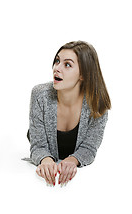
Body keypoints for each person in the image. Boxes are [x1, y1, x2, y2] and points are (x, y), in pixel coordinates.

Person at [27, 41, 111, 187]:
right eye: (57, 61)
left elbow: (90, 148)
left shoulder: (97, 104)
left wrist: (73, 160)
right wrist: (45, 160)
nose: (56, 68)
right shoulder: (40, 95)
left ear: (83, 75)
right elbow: (38, 146)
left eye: (67, 65)